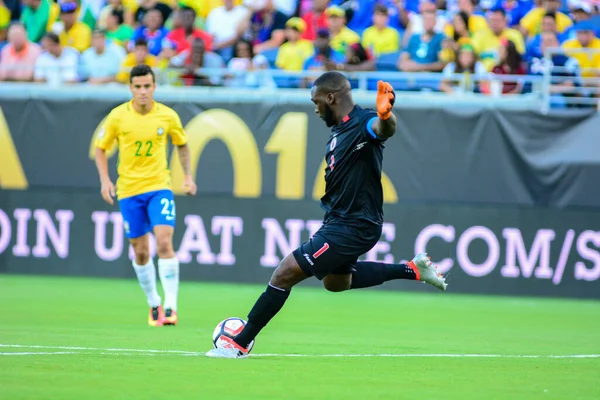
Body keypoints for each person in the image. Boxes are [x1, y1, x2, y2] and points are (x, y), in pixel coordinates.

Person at [205, 72, 448, 359]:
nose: (315, 108)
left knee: (284, 273)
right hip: (339, 221)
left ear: (330, 97)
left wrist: (386, 116)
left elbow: (383, 129)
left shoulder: (362, 123)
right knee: (336, 283)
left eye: (316, 102)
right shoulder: (340, 131)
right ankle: (412, 269)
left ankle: (239, 343)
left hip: (353, 225)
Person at [94, 64, 197, 327]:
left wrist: (187, 176)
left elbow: (182, 145)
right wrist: (105, 181)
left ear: (154, 87)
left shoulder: (167, 116)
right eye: (138, 87)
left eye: (147, 86)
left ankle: (171, 306)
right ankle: (154, 303)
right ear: (130, 88)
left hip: (159, 186)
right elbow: (100, 148)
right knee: (140, 251)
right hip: (129, 191)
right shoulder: (118, 117)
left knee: (164, 242)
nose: (143, 92)